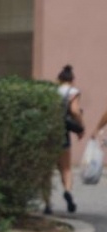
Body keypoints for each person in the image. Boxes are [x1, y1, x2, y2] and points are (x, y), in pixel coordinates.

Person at [52, 64, 83, 214]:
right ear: (72, 79)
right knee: (66, 168)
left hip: (49, 132)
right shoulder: (73, 92)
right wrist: (81, 126)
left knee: (48, 170)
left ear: (59, 78)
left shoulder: (52, 91)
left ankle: (47, 204)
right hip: (63, 133)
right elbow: (75, 111)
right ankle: (68, 192)